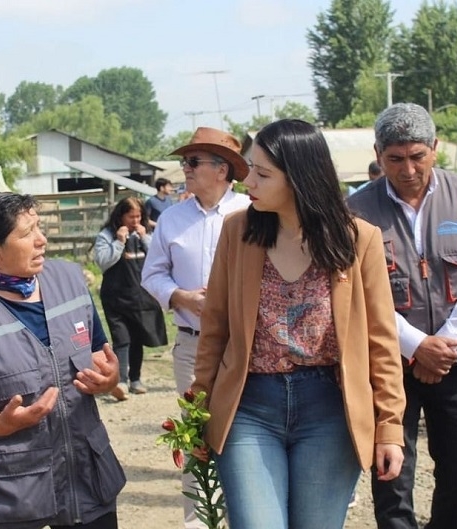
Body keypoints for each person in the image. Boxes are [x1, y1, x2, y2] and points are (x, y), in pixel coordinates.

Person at [189, 119, 406, 529]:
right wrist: (198, 411)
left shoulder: (359, 239)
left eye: (262, 173)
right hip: (249, 408)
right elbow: (214, 328)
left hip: (330, 411)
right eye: (250, 168)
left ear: (300, 179)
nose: (247, 180)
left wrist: (389, 427)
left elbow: (382, 341)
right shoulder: (237, 232)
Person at [0, 192, 126, 529]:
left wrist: (109, 378)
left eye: (39, 227)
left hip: (85, 486)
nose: (42, 240)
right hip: (4, 500)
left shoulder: (70, 282)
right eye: (27, 233)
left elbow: (99, 348)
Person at [347, 102, 457, 529]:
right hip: (390, 362)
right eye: (395, 158)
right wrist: (417, 347)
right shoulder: (356, 211)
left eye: (418, 156)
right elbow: (360, 294)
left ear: (435, 148)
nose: (408, 169)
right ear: (379, 155)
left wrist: (443, 345)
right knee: (391, 470)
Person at [141, 126, 250, 529]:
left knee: (244, 429)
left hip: (246, 346)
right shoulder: (171, 219)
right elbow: (151, 276)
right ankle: (200, 522)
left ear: (222, 170)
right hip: (192, 344)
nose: (183, 169)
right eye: (185, 161)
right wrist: (182, 297)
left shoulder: (250, 213)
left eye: (192, 162)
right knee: (195, 434)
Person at [94, 196, 168, 400]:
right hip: (116, 298)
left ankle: (136, 379)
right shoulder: (106, 236)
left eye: (139, 216)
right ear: (121, 216)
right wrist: (119, 242)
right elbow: (102, 262)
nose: (135, 221)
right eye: (131, 216)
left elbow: (160, 259)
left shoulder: (148, 234)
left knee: (138, 338)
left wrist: (145, 238)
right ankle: (121, 381)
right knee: (121, 339)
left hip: (142, 297)